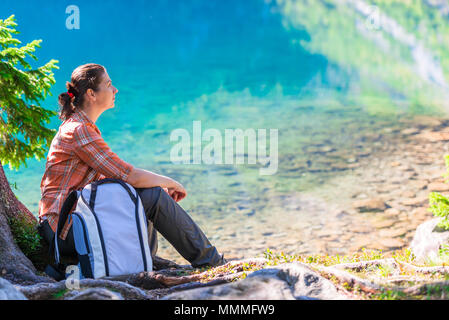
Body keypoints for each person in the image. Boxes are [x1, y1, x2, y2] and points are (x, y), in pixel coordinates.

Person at [37, 63, 226, 268]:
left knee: (144, 194)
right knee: (152, 196)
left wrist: (150, 187)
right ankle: (211, 262)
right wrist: (172, 183)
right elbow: (129, 175)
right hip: (65, 231)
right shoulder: (79, 131)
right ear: (91, 94)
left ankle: (145, 264)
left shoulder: (82, 127)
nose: (115, 89)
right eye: (108, 84)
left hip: (72, 225)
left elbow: (117, 180)